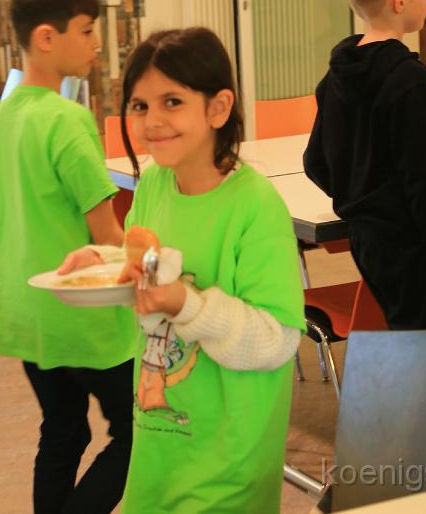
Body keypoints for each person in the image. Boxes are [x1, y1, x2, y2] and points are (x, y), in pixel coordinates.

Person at [58, 27, 305, 512]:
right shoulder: (153, 183)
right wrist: (105, 263)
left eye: (172, 102)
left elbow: (278, 341)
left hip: (228, 463)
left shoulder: (255, 206)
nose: (152, 121)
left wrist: (188, 306)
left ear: (218, 108)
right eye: (139, 105)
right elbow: (148, 269)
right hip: (158, 449)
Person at [0, 0, 136, 514]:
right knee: (138, 433)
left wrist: (33, 223)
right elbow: (106, 235)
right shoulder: (67, 119)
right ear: (46, 37)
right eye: (86, 30)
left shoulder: (7, 112)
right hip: (81, 314)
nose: (96, 43)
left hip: (25, 310)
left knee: (63, 429)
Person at [303, 0, 426, 330]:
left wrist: (361, 198)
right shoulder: (410, 80)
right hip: (413, 245)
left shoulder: (336, 77)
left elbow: (315, 162)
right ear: (401, 1)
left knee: (404, 335)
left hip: (367, 241)